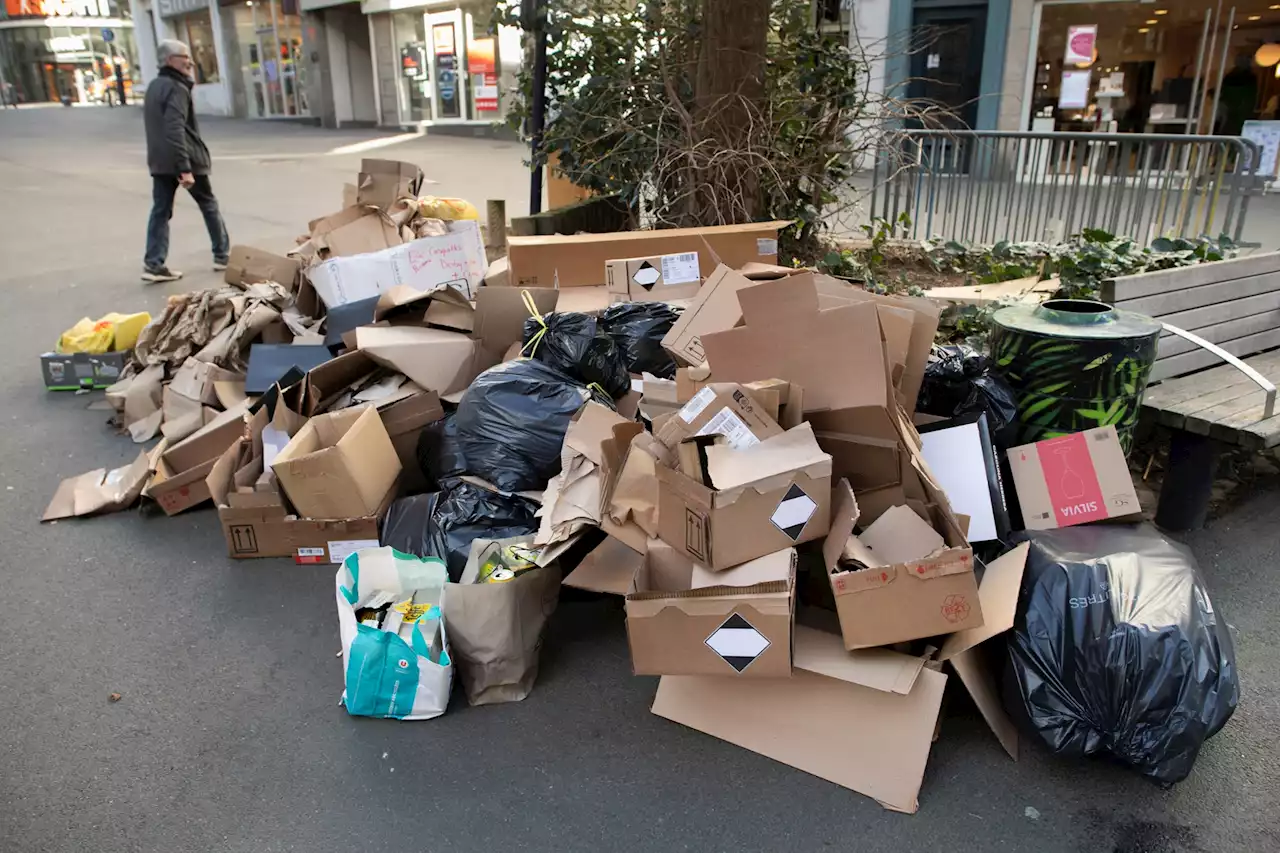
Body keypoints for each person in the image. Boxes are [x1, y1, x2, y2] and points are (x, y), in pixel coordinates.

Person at [142, 39, 229, 283]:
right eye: (184, 57)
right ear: (171, 61)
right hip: (183, 158)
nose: (190, 62)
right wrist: (184, 167)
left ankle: (153, 263)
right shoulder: (176, 87)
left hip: (160, 161)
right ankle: (222, 254)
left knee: (160, 210)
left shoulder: (154, 86)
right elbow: (174, 128)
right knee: (208, 203)